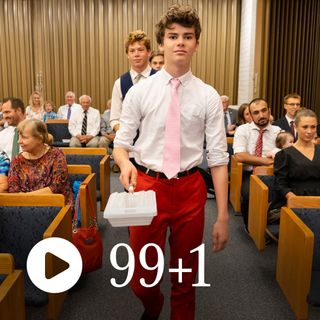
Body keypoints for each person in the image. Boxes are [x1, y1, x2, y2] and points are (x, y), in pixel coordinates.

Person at [113, 5, 229, 320]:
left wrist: (222, 216)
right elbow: (120, 146)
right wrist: (125, 164)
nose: (180, 42)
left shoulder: (207, 95)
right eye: (173, 36)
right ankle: (153, 305)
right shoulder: (140, 92)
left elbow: (218, 159)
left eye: (187, 37)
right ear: (162, 43)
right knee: (141, 279)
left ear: (196, 44)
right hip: (148, 187)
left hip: (190, 188)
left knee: (185, 276)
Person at [233, 98, 281, 230]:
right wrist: (266, 160)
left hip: (273, 173)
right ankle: (250, 226)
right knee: (249, 194)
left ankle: (274, 219)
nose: (261, 115)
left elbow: (285, 154)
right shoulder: (243, 130)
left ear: (269, 111)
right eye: (256, 112)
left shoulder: (278, 131)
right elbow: (240, 155)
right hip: (250, 173)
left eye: (264, 110)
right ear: (251, 115)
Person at [8, 118, 73, 205]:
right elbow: (13, 190)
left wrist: (26, 197)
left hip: (54, 206)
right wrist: (26, 200)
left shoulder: (56, 154)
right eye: (19, 136)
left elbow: (56, 187)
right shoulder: (17, 160)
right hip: (24, 207)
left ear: (39, 139)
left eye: (24, 137)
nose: (19, 141)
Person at [110, 30, 157, 132]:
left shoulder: (161, 79)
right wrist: (125, 134)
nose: (136, 54)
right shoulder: (119, 83)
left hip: (156, 143)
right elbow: (114, 119)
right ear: (127, 54)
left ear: (148, 52)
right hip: (129, 144)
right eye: (132, 51)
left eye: (140, 50)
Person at [273, 109, 320, 208]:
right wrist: (295, 200)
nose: (309, 131)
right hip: (295, 201)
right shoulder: (284, 154)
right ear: (295, 127)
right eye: (305, 127)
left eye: (313, 127)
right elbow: (280, 184)